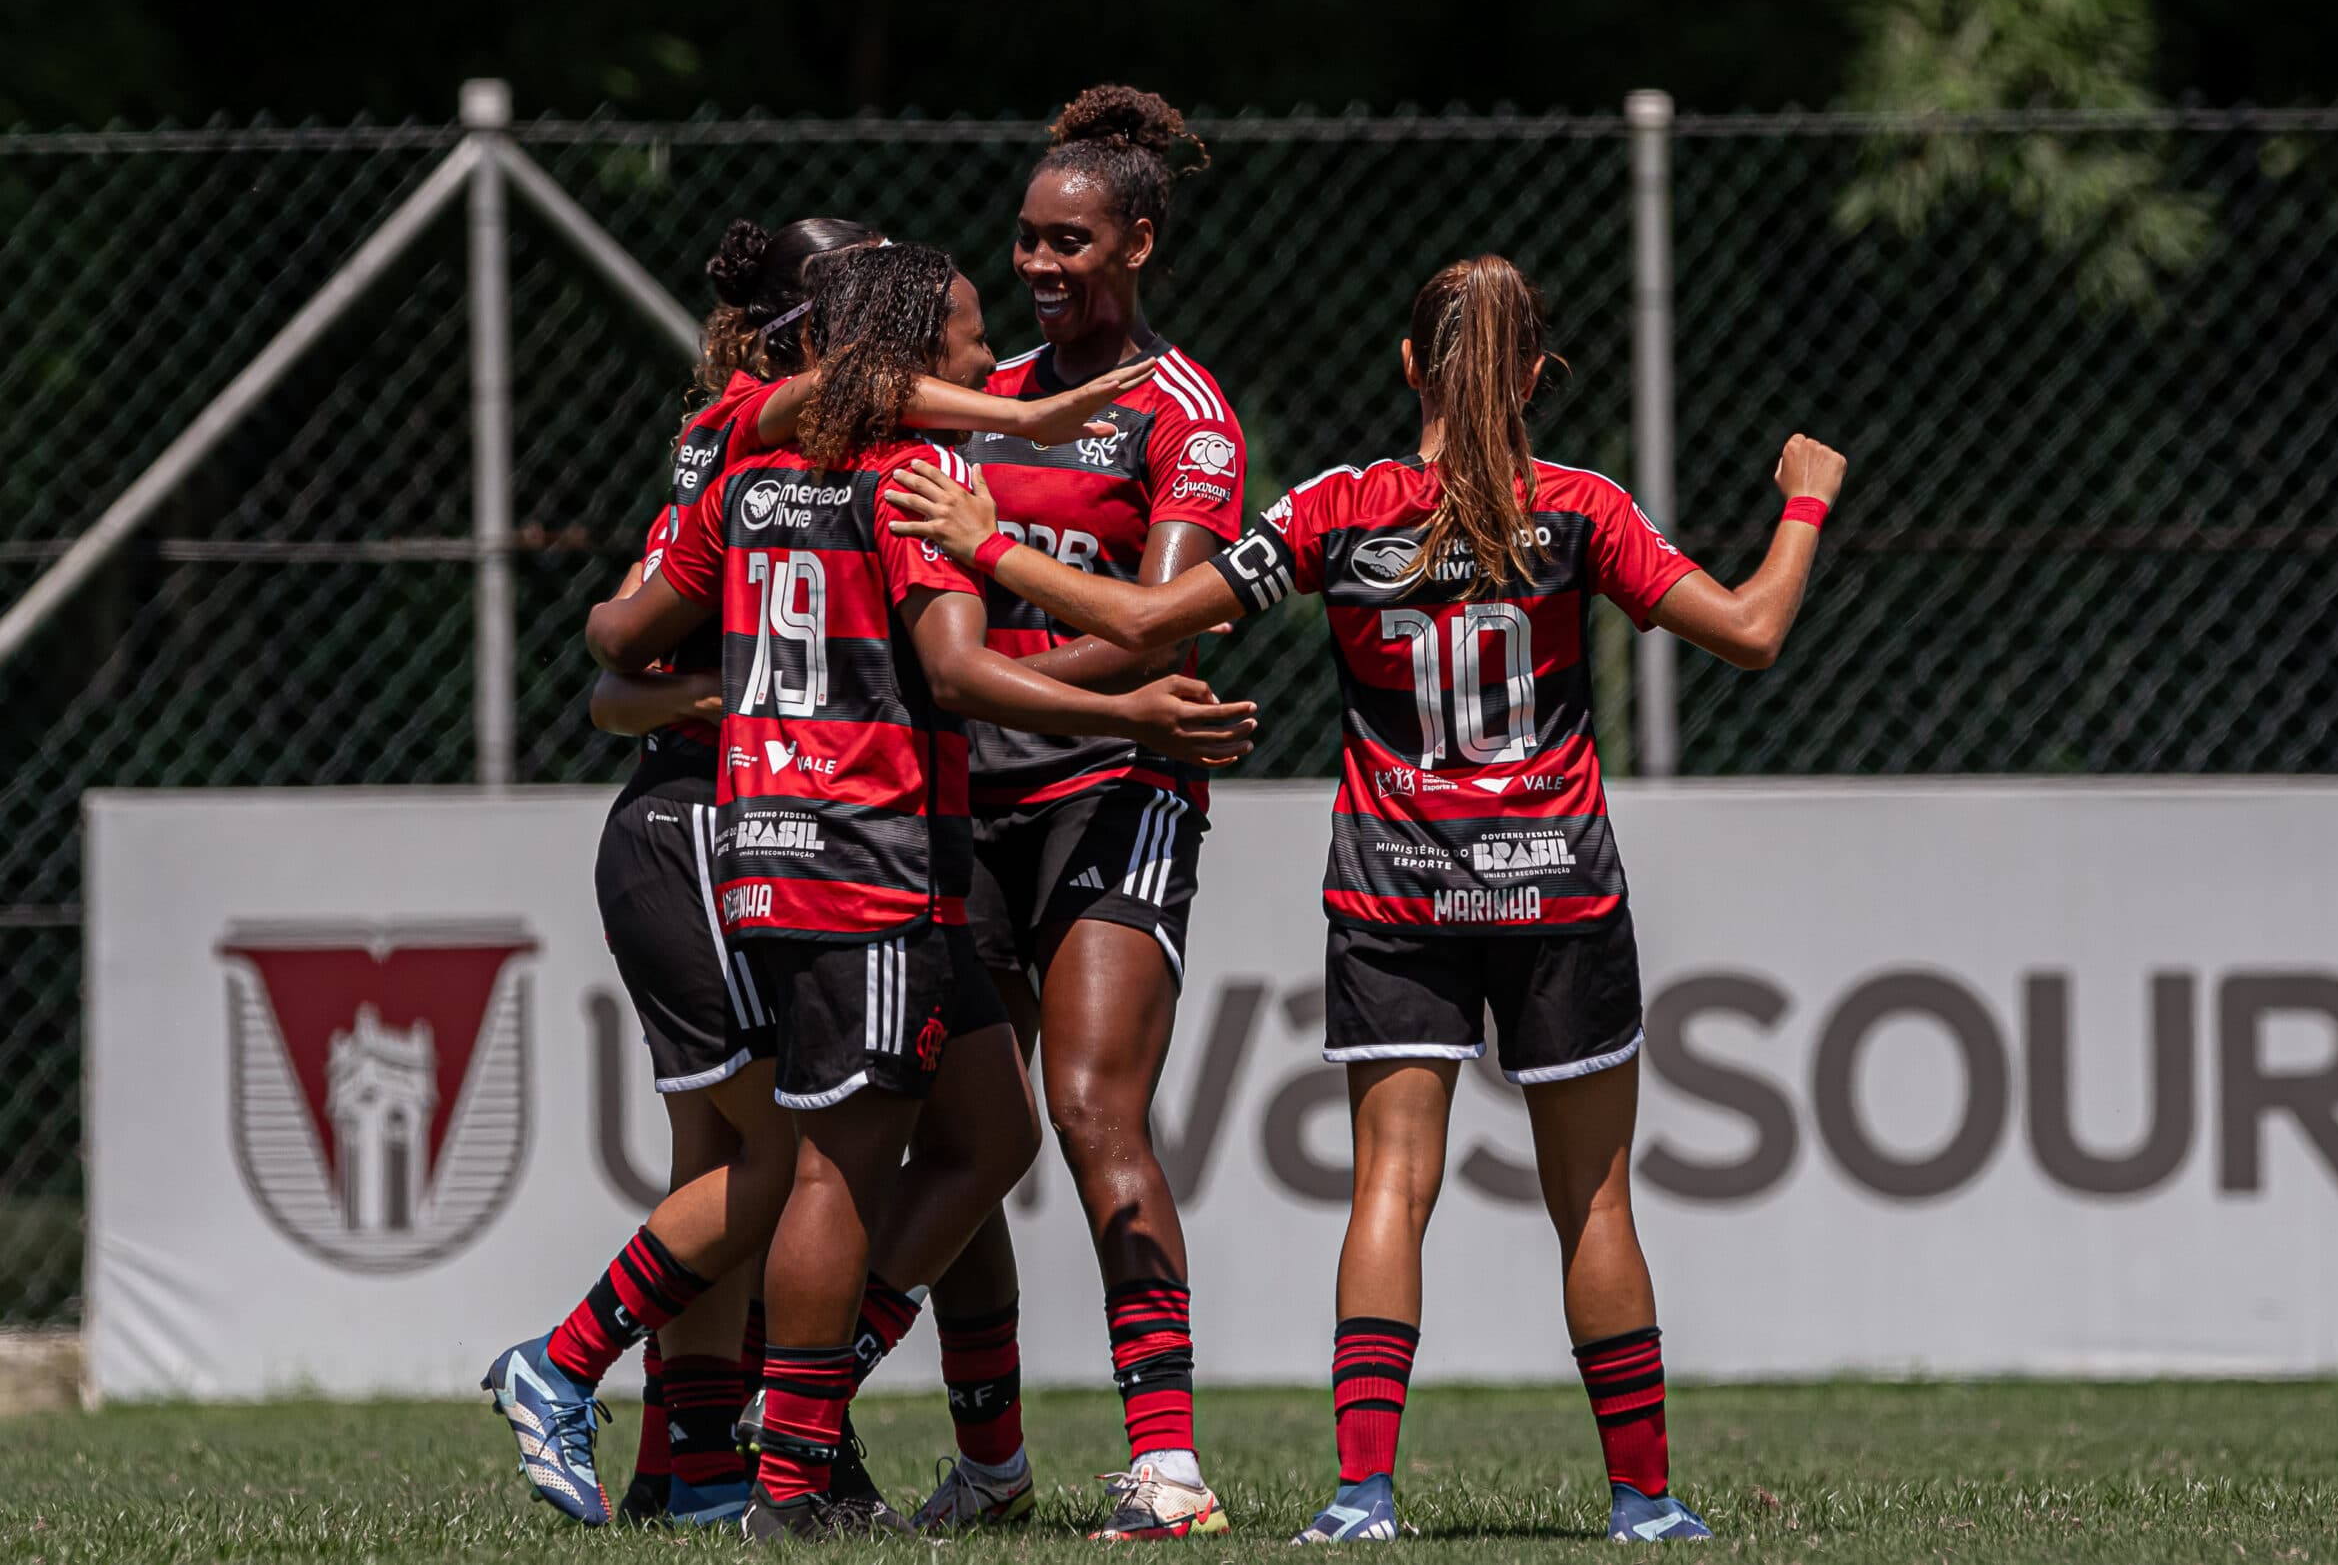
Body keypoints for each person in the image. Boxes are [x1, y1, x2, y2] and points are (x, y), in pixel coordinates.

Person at [887, 252, 1848, 1546]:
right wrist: (1802, 505)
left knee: (1390, 1187)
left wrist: (987, 545)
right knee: (1598, 1203)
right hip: (1558, 886)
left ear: (1410, 365)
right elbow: (1750, 631)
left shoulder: (1336, 509)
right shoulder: (1580, 508)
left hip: (1398, 891)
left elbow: (1148, 607)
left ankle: (1361, 1497)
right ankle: (1645, 1503)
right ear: (1538, 373)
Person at [483, 216, 1162, 1531]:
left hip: (800, 843)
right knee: (809, 1164)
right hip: (845, 851)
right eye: (972, 347)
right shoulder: (875, 466)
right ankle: (687, 1422)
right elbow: (957, 663)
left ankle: (719, 1456)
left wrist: (742, 672)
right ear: (891, 356)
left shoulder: (752, 471)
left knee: (977, 1133)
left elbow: (617, 636)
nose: (996, 370)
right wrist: (1136, 683)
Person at [912, 85, 1249, 1543]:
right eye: (1029, 242)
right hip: (968, 793)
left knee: (1094, 1104)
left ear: (1140, 246)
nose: (1043, 266)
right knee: (967, 1136)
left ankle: (1167, 1463)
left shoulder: (1184, 414)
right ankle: (991, 1465)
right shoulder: (996, 407)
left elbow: (1160, 632)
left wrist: (1014, 674)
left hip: (1116, 781)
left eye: (1072, 242)